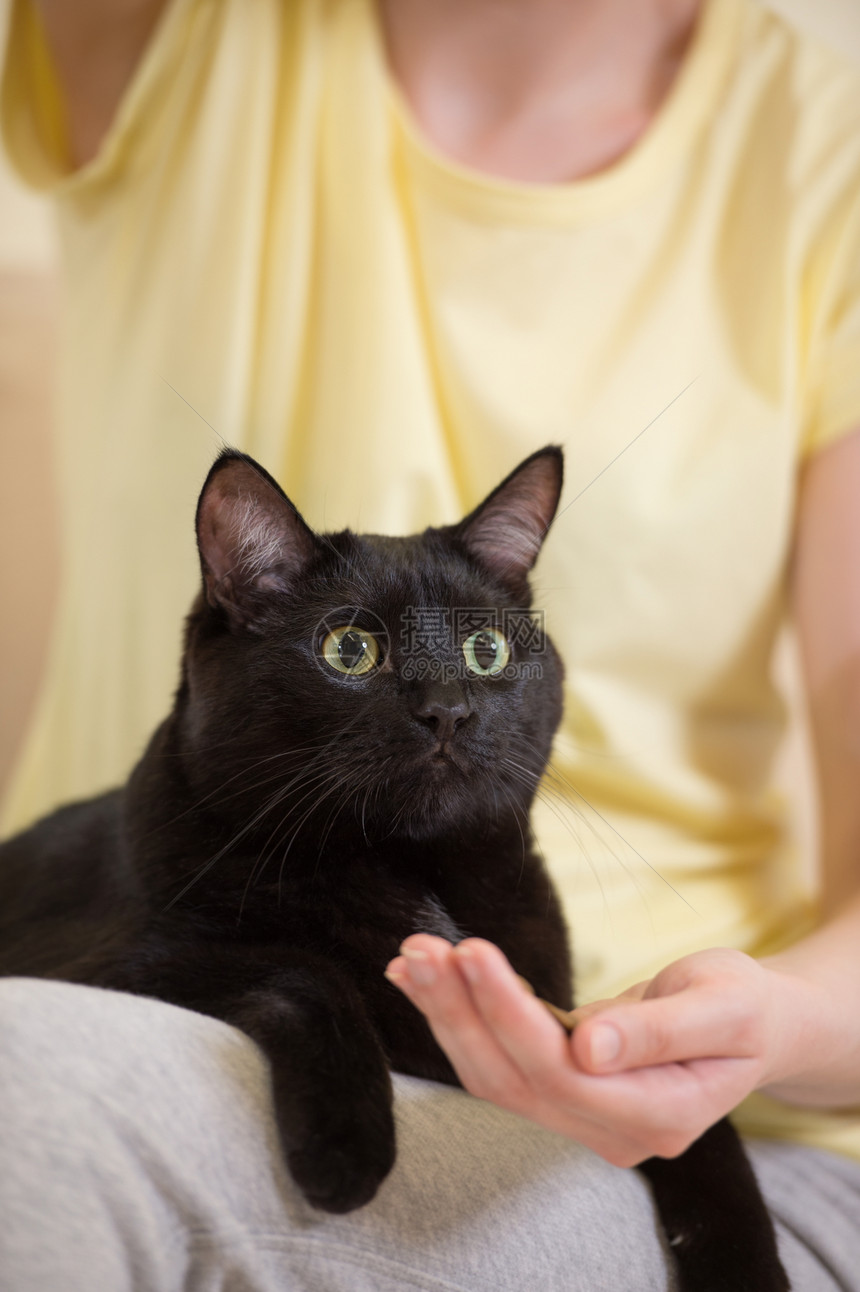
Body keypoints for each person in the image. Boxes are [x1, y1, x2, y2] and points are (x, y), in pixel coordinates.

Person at [1, 0, 860, 1287]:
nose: (442, 703)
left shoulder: (823, 148)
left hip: (681, 1118)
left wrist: (771, 1024)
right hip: (139, 1004)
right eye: (358, 655)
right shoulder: (172, 40)